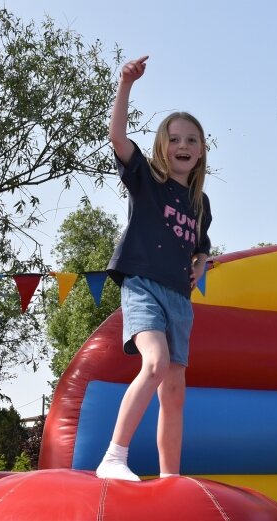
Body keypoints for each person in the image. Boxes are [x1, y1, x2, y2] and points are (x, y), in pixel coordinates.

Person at [95, 56, 212, 482]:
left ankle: (170, 479)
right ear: (163, 145)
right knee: (155, 362)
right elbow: (117, 136)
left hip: (179, 300)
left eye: (192, 140)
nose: (183, 145)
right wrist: (126, 84)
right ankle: (113, 455)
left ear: (201, 152)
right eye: (175, 138)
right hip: (143, 287)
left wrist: (202, 262)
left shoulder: (200, 205)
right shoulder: (148, 180)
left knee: (175, 394)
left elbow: (201, 248)